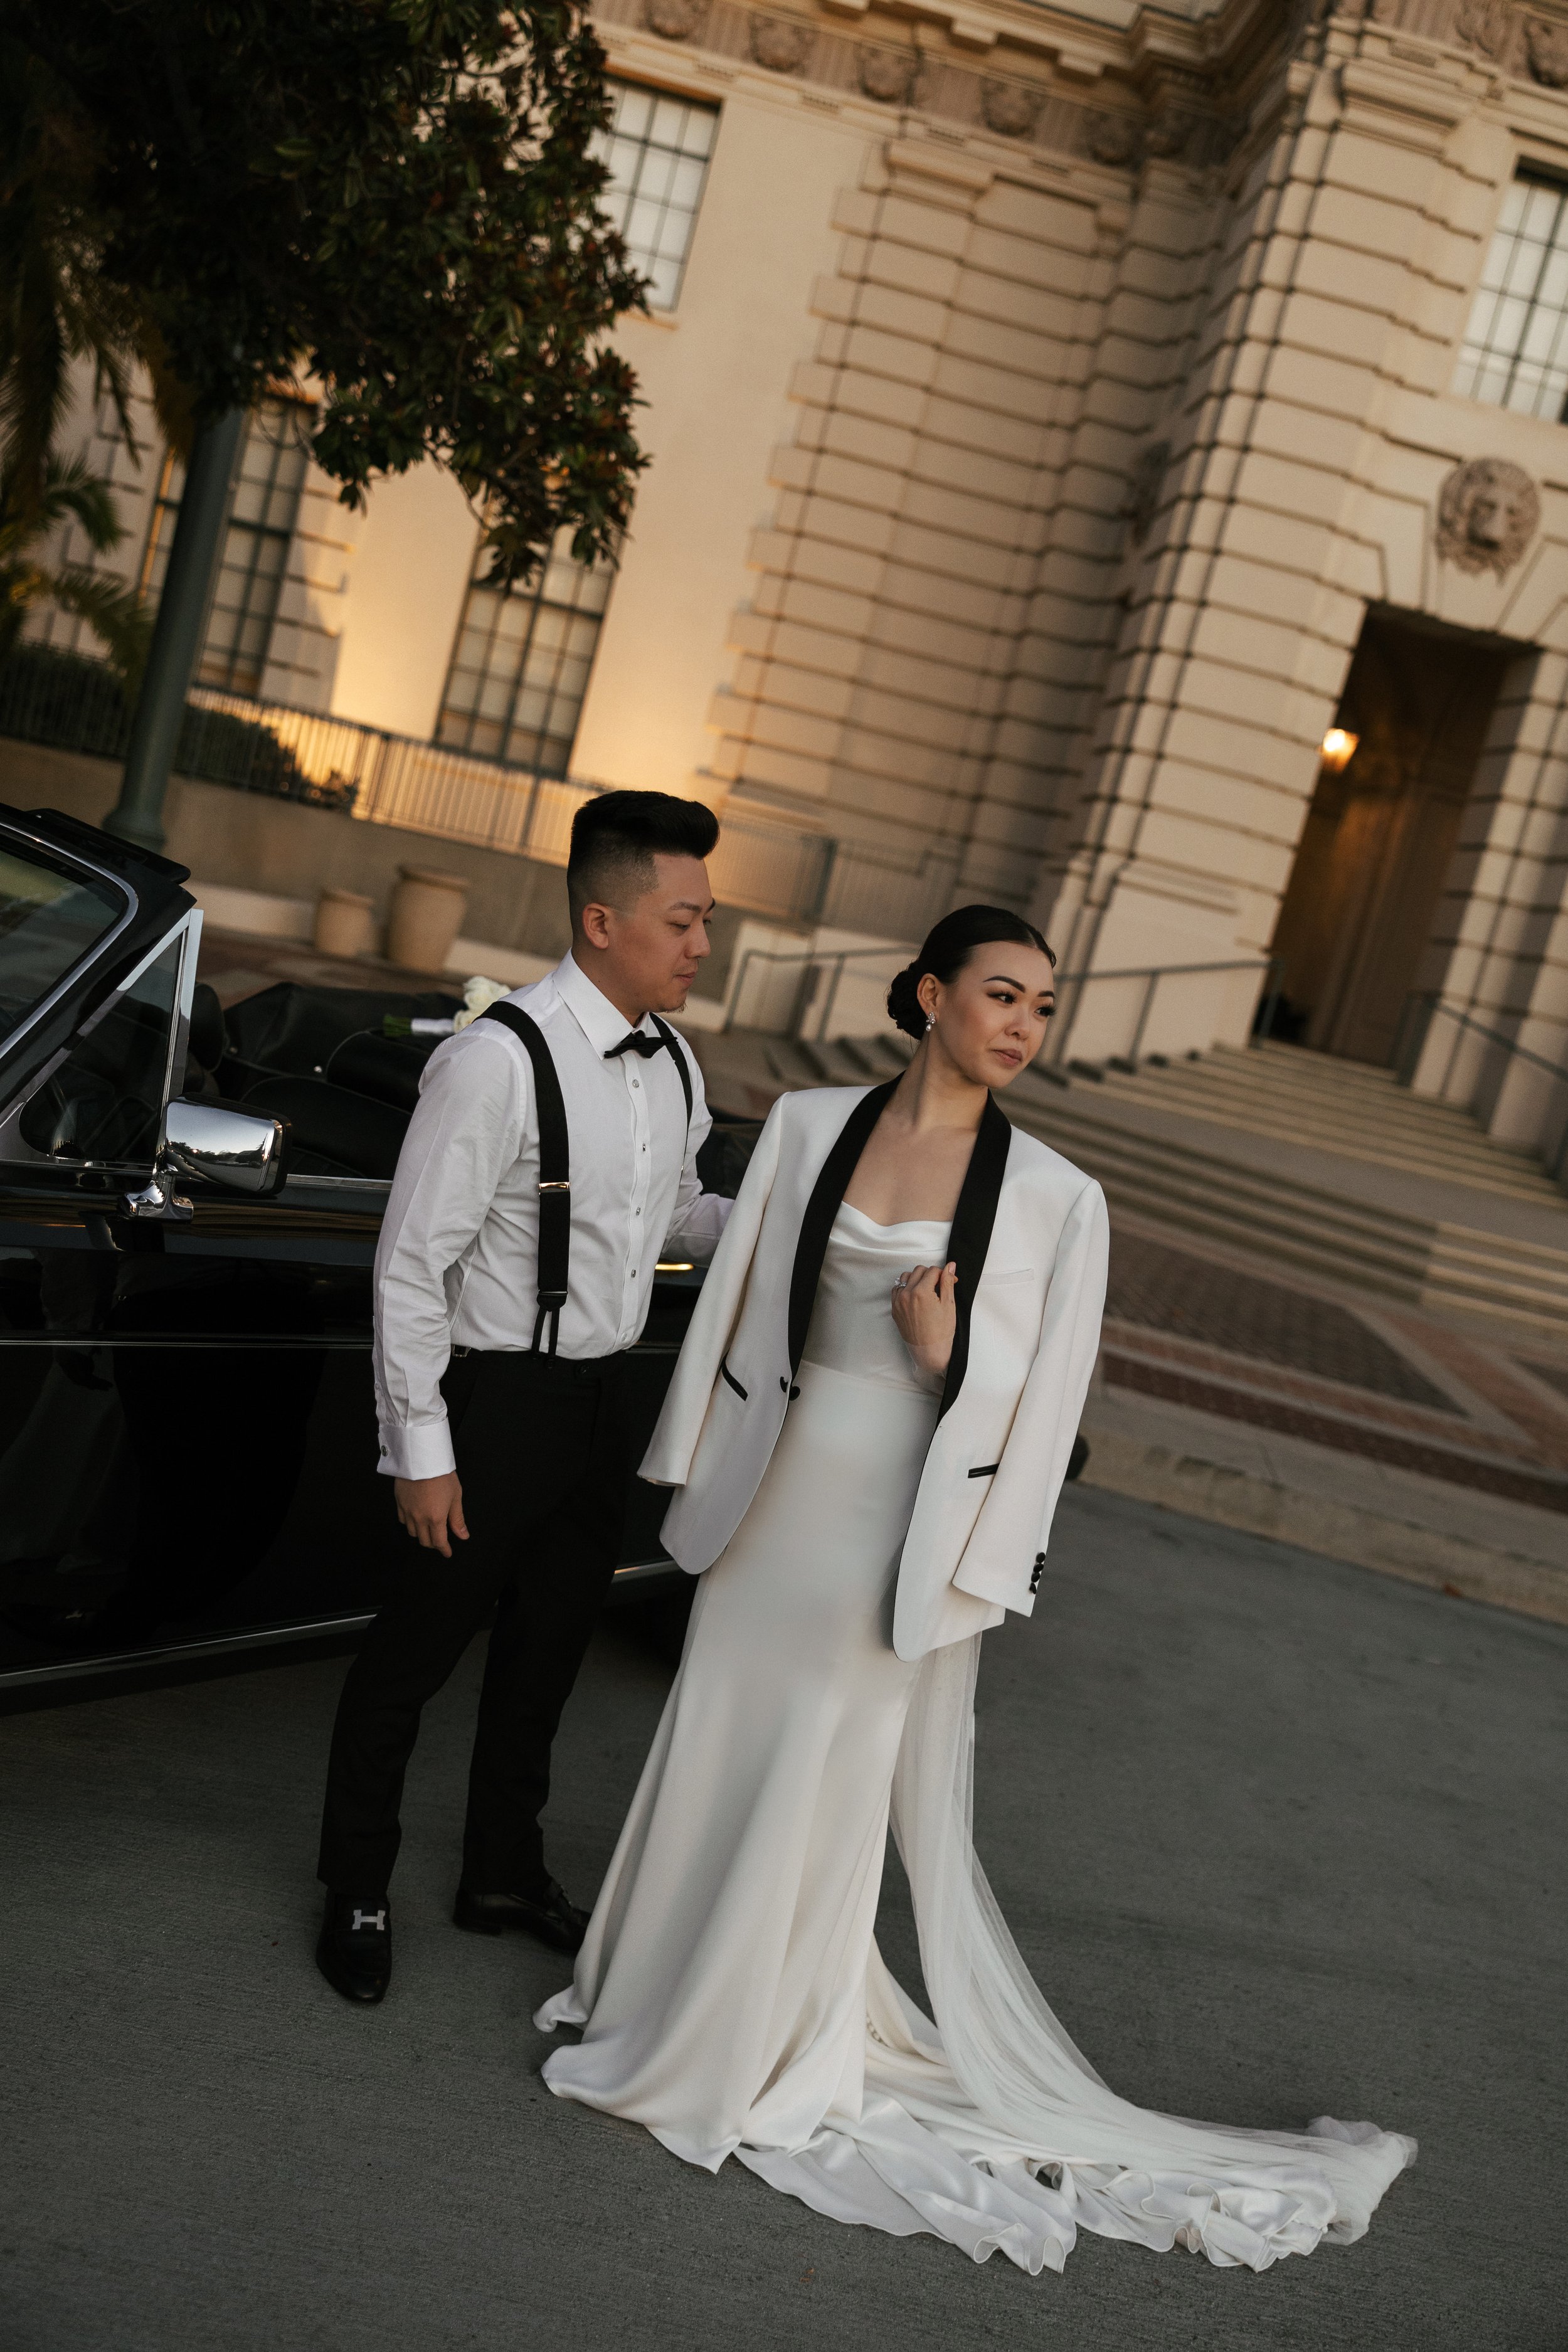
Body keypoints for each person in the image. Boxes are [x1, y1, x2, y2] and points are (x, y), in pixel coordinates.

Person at [534, 905, 1414, 2277]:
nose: (1021, 1025)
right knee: (720, 1728)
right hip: (774, 1495)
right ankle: (653, 1994)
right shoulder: (811, 1125)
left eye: (1041, 1008)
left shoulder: (1060, 1197)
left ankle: (752, 2037)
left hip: (898, 1516)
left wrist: (949, 1363)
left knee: (825, 1767)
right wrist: (683, 1461)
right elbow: (736, 1309)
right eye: (1000, 995)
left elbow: (1048, 1407)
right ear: (928, 995)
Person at [314, 791, 733, 2005]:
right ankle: (354, 1882)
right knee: (412, 1658)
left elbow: (678, 1222)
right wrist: (423, 1451)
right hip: (492, 1401)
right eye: (682, 921)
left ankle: (500, 1870)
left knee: (547, 1652)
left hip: (601, 1408)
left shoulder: (674, 1067)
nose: (700, 945)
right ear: (601, 919)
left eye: (705, 921)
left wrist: (774, 1219)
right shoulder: (494, 1062)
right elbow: (409, 1264)